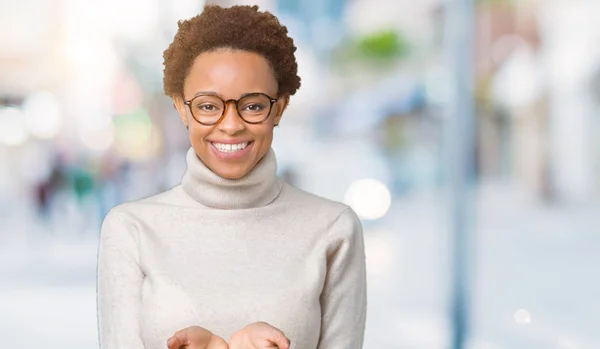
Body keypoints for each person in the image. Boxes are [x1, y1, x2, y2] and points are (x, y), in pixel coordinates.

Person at [96, 5, 367, 349]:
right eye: (208, 105)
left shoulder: (334, 229)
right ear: (182, 108)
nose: (231, 124)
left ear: (279, 108)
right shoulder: (130, 229)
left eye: (253, 105)